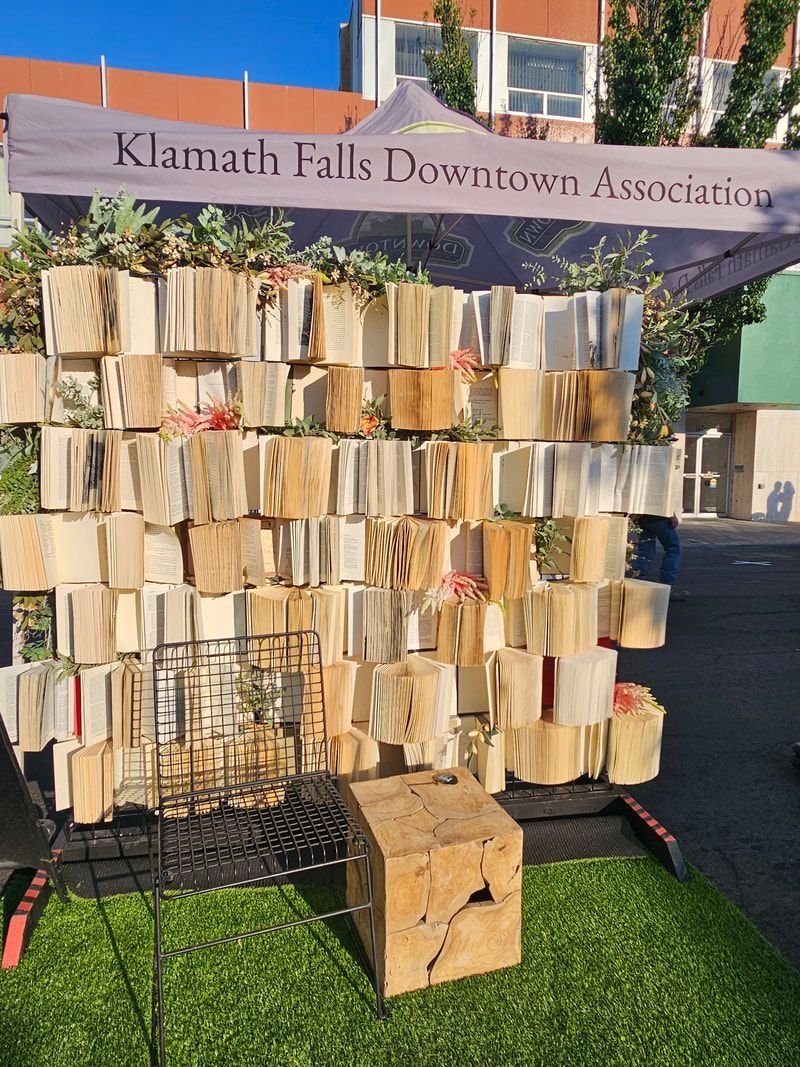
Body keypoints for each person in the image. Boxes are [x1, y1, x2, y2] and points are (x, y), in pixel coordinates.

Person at [630, 513, 688, 602]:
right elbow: (664, 499)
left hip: (642, 519)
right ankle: (667, 587)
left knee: (645, 553)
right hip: (660, 518)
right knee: (673, 550)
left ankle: (636, 584)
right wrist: (672, 515)